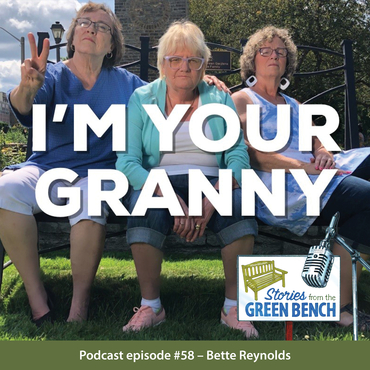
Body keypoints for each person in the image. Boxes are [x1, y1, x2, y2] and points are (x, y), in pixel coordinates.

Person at [0, 2, 146, 325]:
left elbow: (169, 98)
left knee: (91, 197)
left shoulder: (127, 84)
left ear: (112, 45)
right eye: (84, 23)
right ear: (72, 35)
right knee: (5, 188)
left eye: (102, 26)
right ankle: (39, 302)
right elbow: (22, 106)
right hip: (46, 169)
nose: (92, 28)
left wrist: (208, 87)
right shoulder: (51, 74)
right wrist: (27, 86)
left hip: (99, 175)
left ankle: (78, 309)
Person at [116, 20, 258, 338]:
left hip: (212, 180)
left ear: (202, 66)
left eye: (193, 60)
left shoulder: (219, 99)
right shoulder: (142, 98)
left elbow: (237, 155)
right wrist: (166, 192)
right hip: (159, 181)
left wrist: (214, 197)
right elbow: (126, 162)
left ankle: (233, 306)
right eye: (175, 59)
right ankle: (151, 305)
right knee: (143, 205)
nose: (185, 67)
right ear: (162, 64)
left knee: (238, 202)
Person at [232, 25, 370, 331]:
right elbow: (249, 155)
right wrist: (303, 166)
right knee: (366, 198)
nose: (274, 56)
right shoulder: (242, 100)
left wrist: (324, 154)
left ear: (287, 63)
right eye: (265, 51)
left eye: (280, 52)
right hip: (279, 186)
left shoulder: (293, 104)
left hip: (313, 175)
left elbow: (317, 140)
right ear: (252, 60)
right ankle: (341, 306)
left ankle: (339, 298)